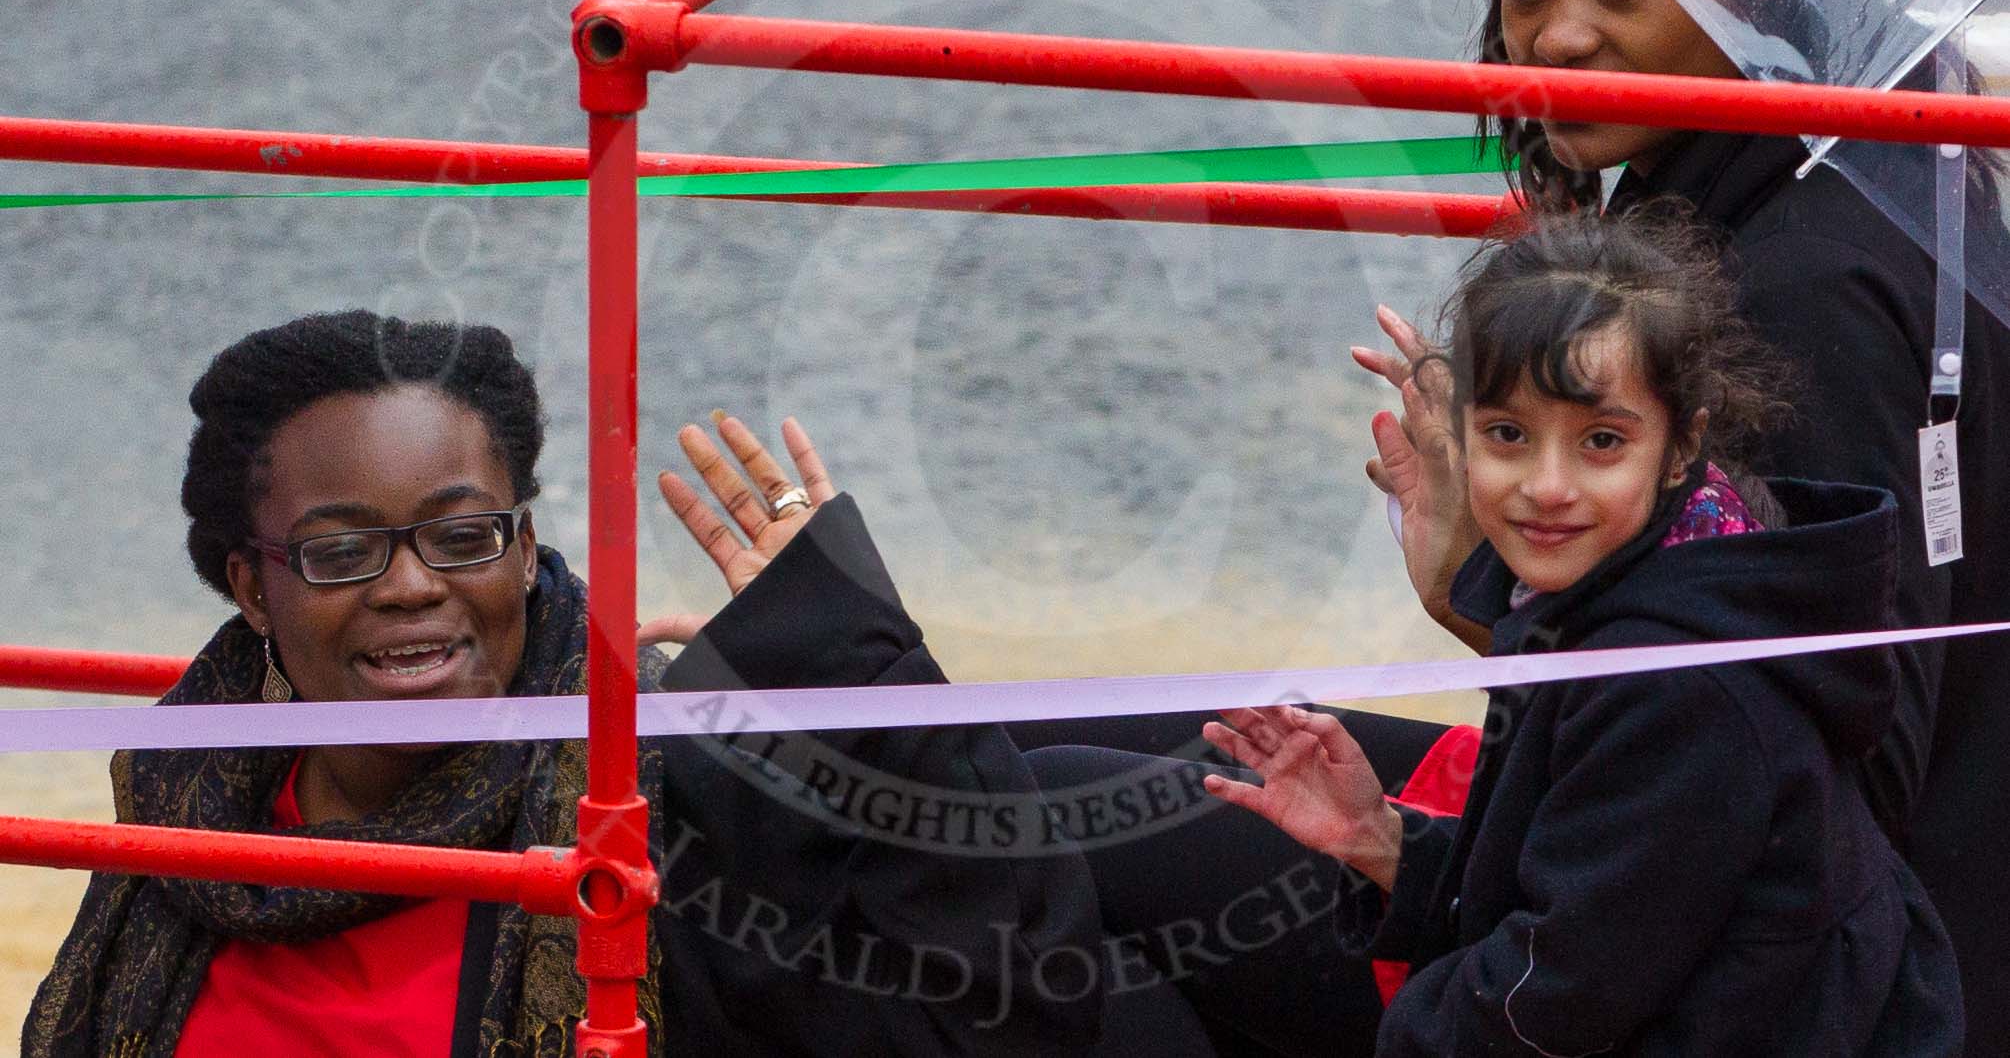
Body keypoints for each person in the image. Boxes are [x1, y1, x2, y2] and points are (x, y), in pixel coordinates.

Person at [1025, 0, 2010, 1053]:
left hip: (1801, 984)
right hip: (1669, 874)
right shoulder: (1791, 193)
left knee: (1048, 827)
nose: (1553, 36)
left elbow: (1810, 777)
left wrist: (1480, 583)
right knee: (1047, 756)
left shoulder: (1792, 287)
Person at [21, 309, 1214, 1057]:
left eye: (463, 535)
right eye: (341, 550)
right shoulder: (187, 821)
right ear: (249, 582)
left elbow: (1003, 1017)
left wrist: (861, 669)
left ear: (528, 550)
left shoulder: (660, 794)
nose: (408, 586)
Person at [1205, 208, 1961, 1055]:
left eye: (1601, 441)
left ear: (1681, 446)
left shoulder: (1678, 682)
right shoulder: (1633, 583)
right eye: (1507, 435)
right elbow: (1582, 894)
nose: (1547, 486)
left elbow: (1555, 993)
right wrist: (1382, 840)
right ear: (1460, 436)